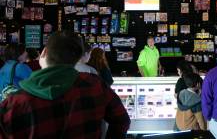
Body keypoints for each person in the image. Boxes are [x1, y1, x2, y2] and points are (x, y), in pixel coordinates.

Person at [0, 31, 130, 138]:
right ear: (80, 56)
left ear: (44, 53)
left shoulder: (13, 103)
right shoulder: (95, 85)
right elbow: (122, 120)